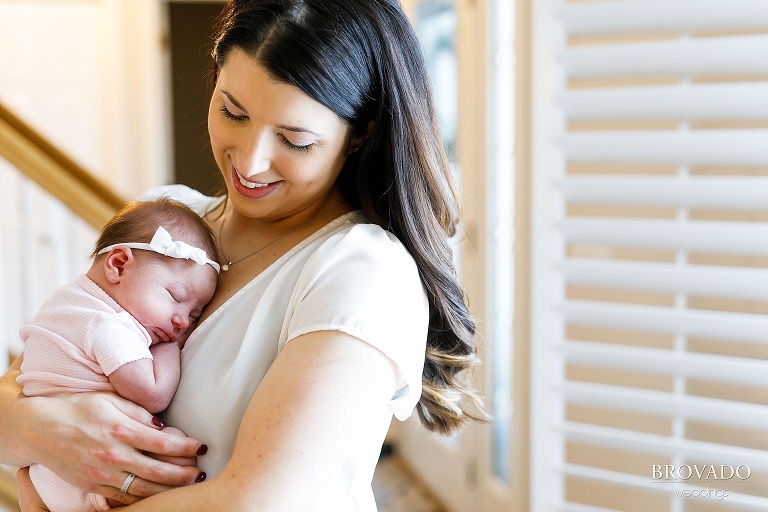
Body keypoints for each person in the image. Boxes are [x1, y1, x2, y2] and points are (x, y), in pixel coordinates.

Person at [0, 0, 488, 510]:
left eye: (294, 140)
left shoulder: (362, 271)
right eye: (233, 111)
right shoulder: (170, 224)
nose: (250, 163)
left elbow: (254, 502)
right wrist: (39, 432)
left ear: (359, 133)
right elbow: (45, 362)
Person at [17, 198, 220, 512]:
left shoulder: (70, 301)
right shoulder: (108, 324)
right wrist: (170, 347)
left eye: (195, 315)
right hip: (83, 476)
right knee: (176, 454)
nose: (182, 322)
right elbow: (152, 394)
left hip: (47, 469)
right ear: (118, 265)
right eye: (175, 297)